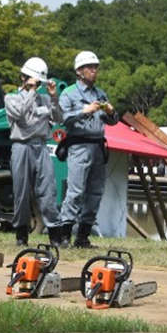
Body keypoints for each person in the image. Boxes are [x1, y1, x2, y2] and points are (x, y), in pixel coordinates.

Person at [57, 50, 118, 249]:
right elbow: (61, 118)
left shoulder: (100, 94)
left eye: (95, 68)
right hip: (78, 145)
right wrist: (83, 111)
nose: (94, 71)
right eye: (90, 68)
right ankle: (65, 235)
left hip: (98, 146)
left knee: (95, 192)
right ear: (79, 71)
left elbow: (113, 121)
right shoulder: (69, 94)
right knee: (75, 191)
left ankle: (82, 237)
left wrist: (111, 112)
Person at [3, 57, 63, 247]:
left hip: (41, 146)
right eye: (32, 79)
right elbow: (19, 113)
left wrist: (54, 97)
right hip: (21, 146)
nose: (36, 84)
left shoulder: (45, 98)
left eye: (38, 81)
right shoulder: (11, 98)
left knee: (48, 191)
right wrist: (30, 92)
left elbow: (58, 117)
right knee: (20, 192)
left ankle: (55, 236)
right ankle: (21, 235)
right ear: (23, 77)